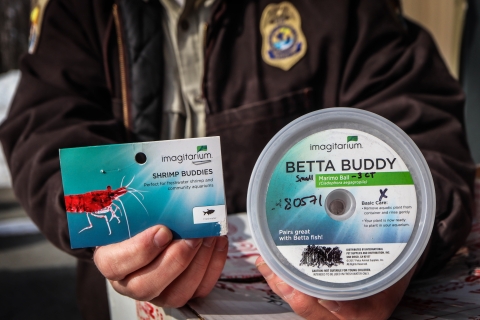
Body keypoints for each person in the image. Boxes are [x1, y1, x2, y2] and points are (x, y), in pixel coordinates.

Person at [0, 0, 475, 319]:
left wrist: (403, 243)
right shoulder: (80, 12)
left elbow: (416, 122)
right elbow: (43, 126)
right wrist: (100, 222)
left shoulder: (342, 9)